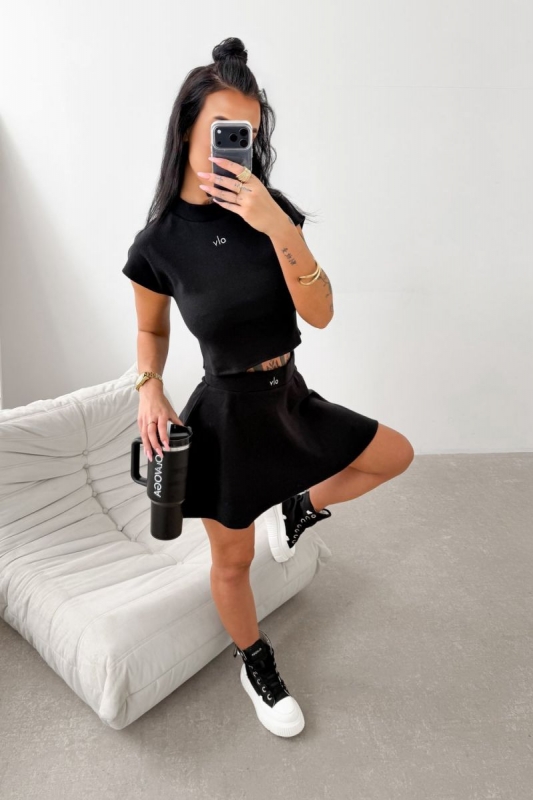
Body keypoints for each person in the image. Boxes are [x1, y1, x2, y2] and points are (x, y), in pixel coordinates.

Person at [122, 37, 414, 737]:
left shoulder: (270, 212)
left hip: (288, 395)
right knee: (233, 562)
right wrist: (148, 386)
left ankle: (298, 508)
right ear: (186, 129)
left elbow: (320, 312)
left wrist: (276, 223)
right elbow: (151, 330)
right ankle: (254, 660)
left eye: (247, 134)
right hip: (225, 416)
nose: (236, 146)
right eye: (222, 128)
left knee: (394, 454)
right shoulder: (158, 244)